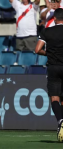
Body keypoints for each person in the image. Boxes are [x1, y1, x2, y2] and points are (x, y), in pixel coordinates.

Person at [35, 8, 63, 142]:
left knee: (55, 98)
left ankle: (61, 121)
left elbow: (37, 49)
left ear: (55, 19)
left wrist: (49, 54)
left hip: (53, 68)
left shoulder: (47, 31)